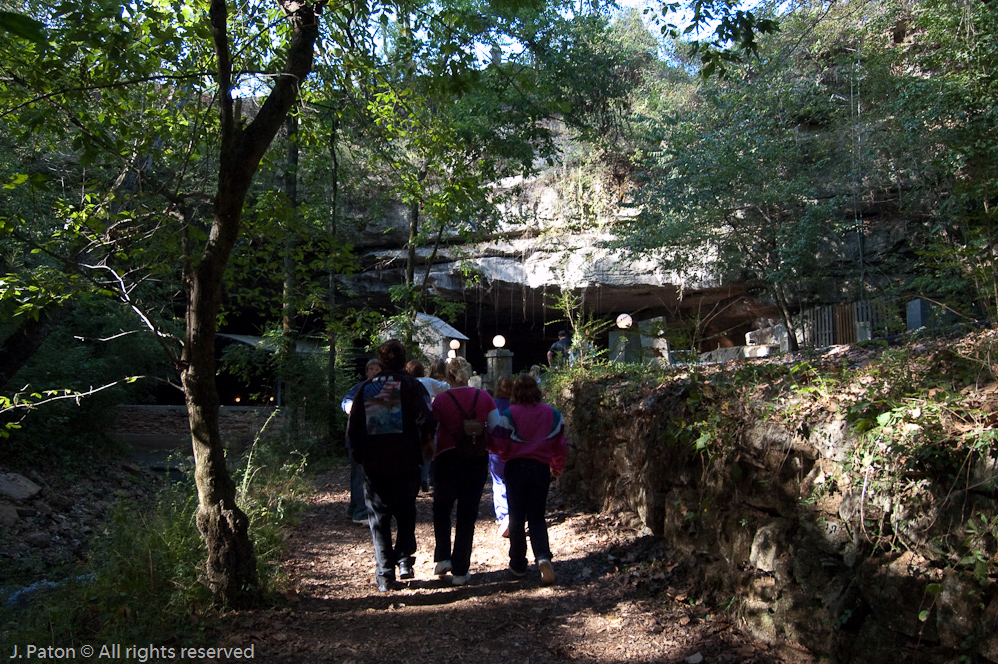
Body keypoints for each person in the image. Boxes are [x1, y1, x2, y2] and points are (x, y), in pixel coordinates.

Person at [347, 340, 436, 592]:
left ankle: (385, 575)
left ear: (381, 360)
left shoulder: (365, 388)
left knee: (378, 518)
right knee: (406, 511)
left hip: (375, 462)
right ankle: (405, 558)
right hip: (407, 459)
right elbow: (427, 417)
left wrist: (359, 455)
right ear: (402, 359)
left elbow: (354, 427)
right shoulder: (412, 385)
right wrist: (428, 442)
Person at [491, 373, 567, 586]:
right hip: (541, 469)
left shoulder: (509, 414)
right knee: (537, 516)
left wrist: (494, 448)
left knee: (516, 516)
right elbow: (560, 444)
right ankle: (543, 557)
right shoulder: (553, 414)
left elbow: (498, 443)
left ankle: (517, 564)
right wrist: (557, 466)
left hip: (515, 468)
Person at [429, 356, 499, 586]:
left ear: (448, 376)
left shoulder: (440, 400)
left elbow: (430, 428)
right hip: (475, 458)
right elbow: (495, 425)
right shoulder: (484, 397)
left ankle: (442, 558)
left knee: (442, 507)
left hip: (446, 458)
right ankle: (461, 570)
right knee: (467, 514)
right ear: (468, 375)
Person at [340, 358, 382, 524]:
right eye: (371, 369)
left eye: (377, 369)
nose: (374, 372)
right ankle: (361, 512)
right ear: (366, 372)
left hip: (371, 438)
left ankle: (353, 508)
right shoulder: (361, 387)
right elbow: (346, 400)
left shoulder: (384, 388)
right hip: (358, 438)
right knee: (359, 475)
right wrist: (349, 406)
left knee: (359, 475)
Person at [406, 359, 450, 492]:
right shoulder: (428, 382)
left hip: (410, 421)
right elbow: (446, 388)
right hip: (428, 418)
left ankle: (414, 478)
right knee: (428, 449)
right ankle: (424, 478)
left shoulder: (406, 383)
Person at [490, 375, 514, 538]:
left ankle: (503, 515)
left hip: (496, 450)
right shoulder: (516, 406)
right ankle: (514, 513)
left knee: (499, 482)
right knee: (513, 481)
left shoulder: (493, 404)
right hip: (514, 449)